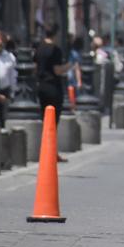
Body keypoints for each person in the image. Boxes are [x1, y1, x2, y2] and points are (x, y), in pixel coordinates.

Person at [35, 25, 70, 161]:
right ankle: (51, 152)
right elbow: (57, 70)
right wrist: (69, 66)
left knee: (44, 119)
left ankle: (44, 150)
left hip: (41, 86)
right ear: (55, 34)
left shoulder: (39, 48)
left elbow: (36, 67)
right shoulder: (55, 50)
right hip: (53, 87)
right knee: (53, 122)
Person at [0, 30, 18, 126]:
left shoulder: (10, 57)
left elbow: (13, 76)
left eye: (2, 40)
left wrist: (12, 94)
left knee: (3, 119)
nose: (0, 42)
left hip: (5, 93)